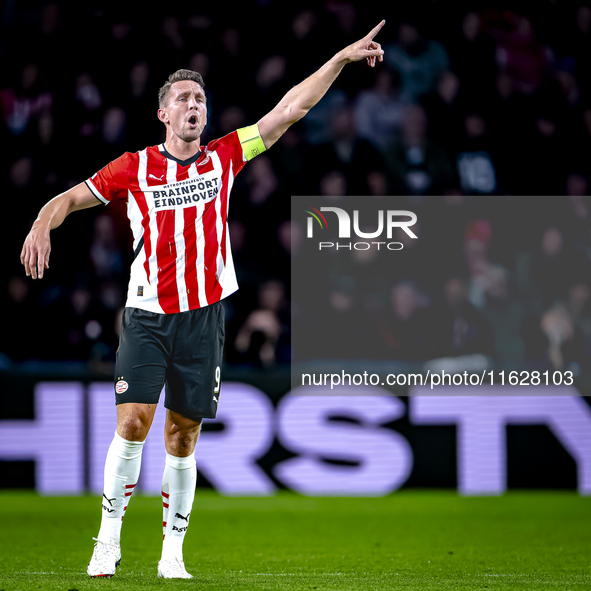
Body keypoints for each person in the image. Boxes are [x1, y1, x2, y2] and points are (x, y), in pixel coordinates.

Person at [20, 21, 386, 580]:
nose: (194, 104)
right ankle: (107, 541)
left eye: (200, 98)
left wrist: (337, 58)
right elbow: (69, 198)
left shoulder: (224, 157)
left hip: (203, 317)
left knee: (182, 434)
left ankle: (172, 555)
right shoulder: (133, 167)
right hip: (146, 314)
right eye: (183, 99)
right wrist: (43, 223)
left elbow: (289, 110)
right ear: (164, 115)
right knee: (134, 421)